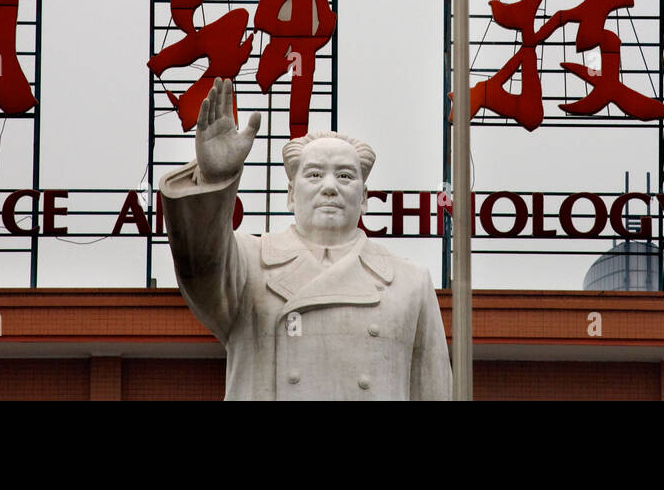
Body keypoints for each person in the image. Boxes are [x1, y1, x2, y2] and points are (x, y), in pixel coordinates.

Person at [159, 78, 452, 400]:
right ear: (290, 194)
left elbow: (434, 390)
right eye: (314, 175)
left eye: (345, 176)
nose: (330, 187)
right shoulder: (248, 264)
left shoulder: (410, 282)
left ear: (365, 197)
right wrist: (216, 178)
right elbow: (198, 261)